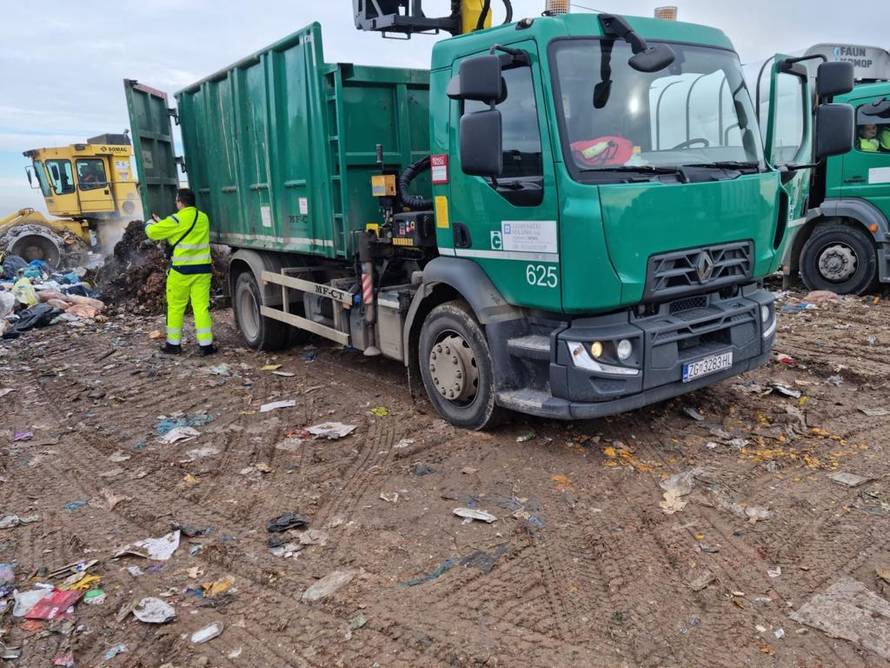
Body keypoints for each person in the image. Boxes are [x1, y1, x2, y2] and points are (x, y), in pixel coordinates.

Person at [145, 188, 216, 355]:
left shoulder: (176, 219)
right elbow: (181, 233)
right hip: (203, 271)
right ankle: (206, 345)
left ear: (180, 202)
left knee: (176, 307)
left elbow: (153, 233)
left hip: (181, 272)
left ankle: (173, 344)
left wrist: (150, 222)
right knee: (201, 308)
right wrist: (165, 222)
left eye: (176, 201)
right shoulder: (203, 218)